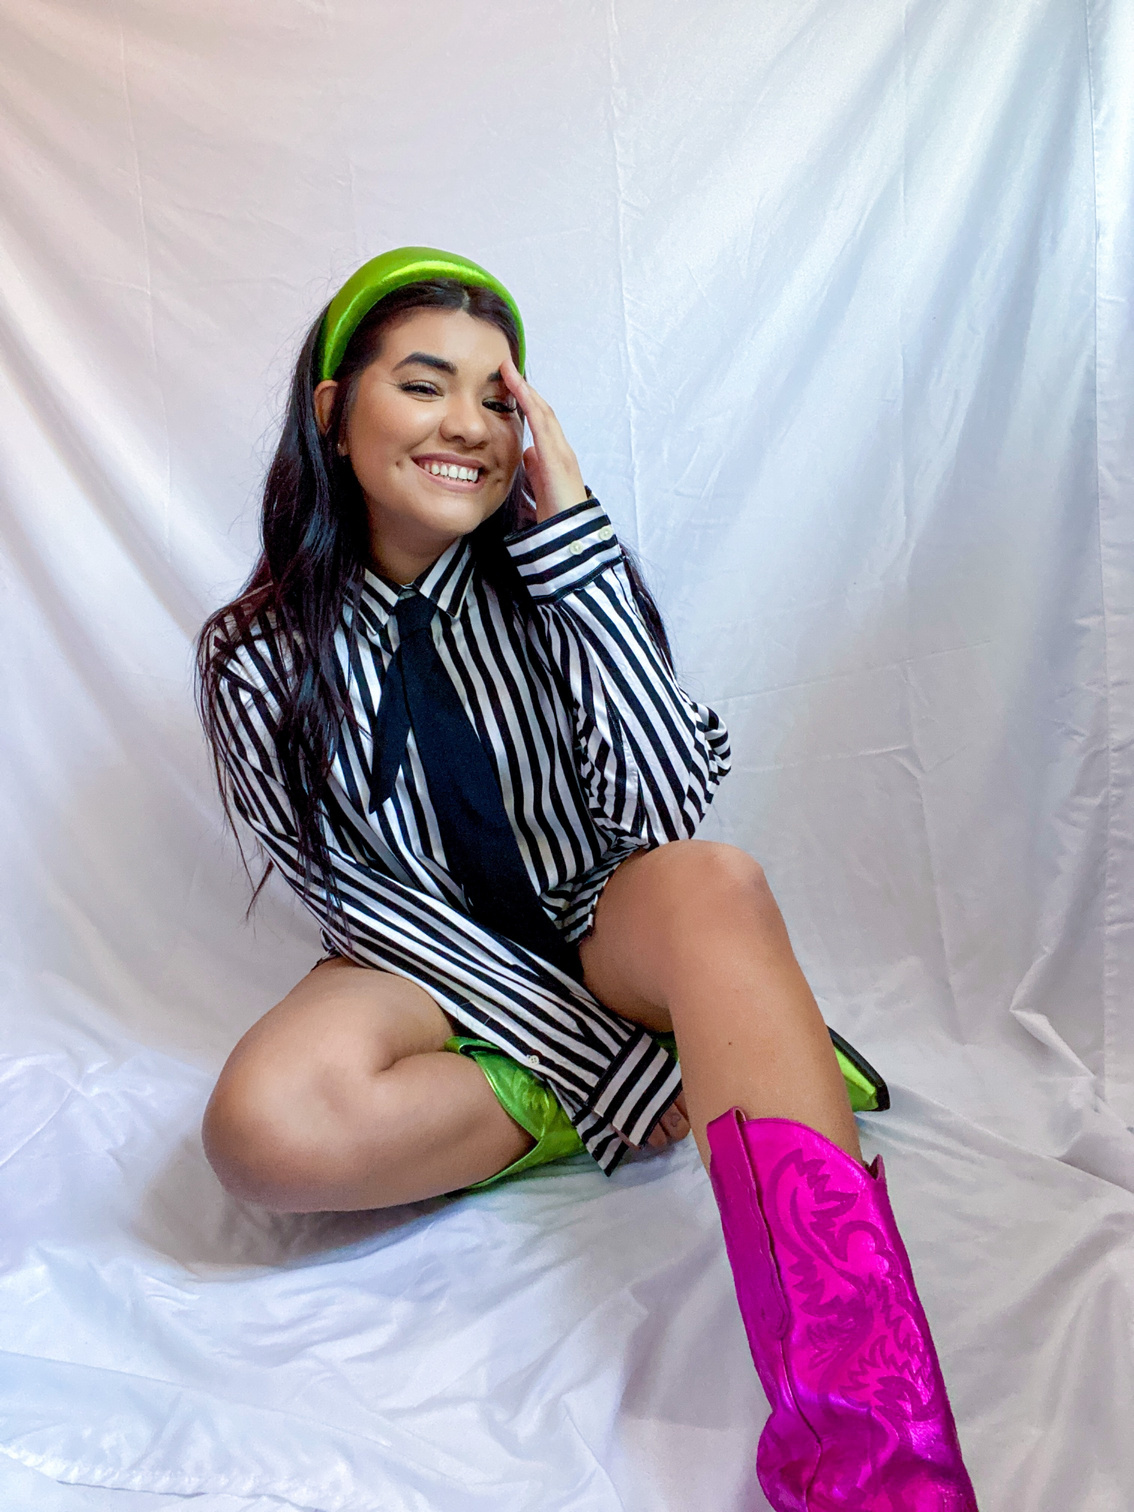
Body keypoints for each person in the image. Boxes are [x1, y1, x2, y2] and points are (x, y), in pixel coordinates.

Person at [196, 247, 978, 1509]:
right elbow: (360, 896)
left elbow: (664, 811)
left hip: (596, 918)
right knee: (261, 1131)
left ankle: (872, 1447)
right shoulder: (256, 656)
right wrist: (607, 1066)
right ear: (335, 413)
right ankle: (689, 1069)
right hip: (421, 956)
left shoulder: (558, 583)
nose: (467, 423)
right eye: (424, 385)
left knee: (715, 883)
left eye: (498, 398)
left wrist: (576, 543)